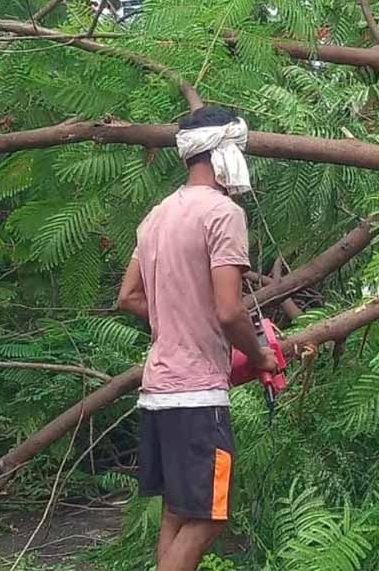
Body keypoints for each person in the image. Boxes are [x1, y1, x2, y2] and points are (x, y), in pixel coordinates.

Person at [116, 105, 278, 571]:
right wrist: (261, 355)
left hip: (157, 393)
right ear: (225, 152)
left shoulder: (157, 215)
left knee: (177, 509)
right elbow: (229, 311)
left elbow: (127, 296)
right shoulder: (223, 213)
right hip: (196, 396)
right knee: (210, 517)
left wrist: (179, 318)